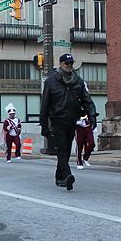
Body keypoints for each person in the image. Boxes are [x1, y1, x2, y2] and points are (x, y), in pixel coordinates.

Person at [40, 53, 97, 191]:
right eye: (66, 63)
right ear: (61, 64)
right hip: (57, 120)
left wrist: (92, 116)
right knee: (62, 150)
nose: (69, 66)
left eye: (71, 63)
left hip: (72, 120)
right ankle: (68, 175)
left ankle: (59, 178)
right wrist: (44, 126)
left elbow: (87, 100)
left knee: (65, 149)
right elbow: (45, 105)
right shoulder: (51, 81)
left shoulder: (78, 81)